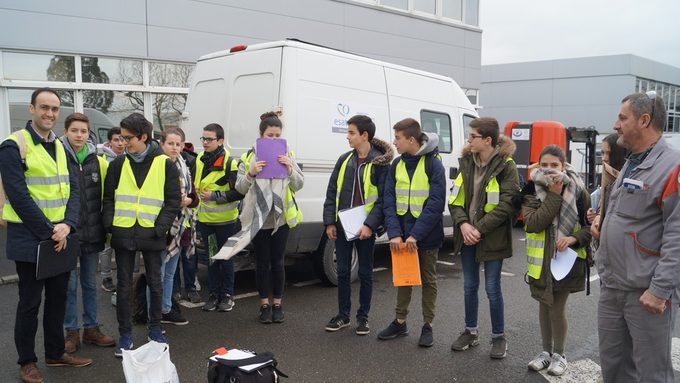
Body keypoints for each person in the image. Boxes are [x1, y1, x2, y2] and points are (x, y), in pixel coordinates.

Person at [0, 88, 91, 383]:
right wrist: (50, 231)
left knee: (58, 298)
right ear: (31, 109)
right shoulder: (14, 146)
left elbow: (74, 190)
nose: (50, 113)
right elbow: (18, 195)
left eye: (54, 108)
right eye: (44, 107)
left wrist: (68, 224)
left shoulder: (61, 147)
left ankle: (55, 352)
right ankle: (27, 362)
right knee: (29, 303)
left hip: (60, 235)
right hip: (30, 237)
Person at [594, 92, 680, 383]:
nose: (616, 125)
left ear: (644, 120)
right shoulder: (631, 160)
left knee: (652, 375)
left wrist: (660, 290)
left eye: (622, 117)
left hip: (645, 293)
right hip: (613, 286)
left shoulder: (672, 167)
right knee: (614, 368)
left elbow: (677, 236)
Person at [102, 113, 181, 356]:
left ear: (143, 137)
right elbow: (108, 198)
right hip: (123, 232)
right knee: (124, 287)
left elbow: (173, 202)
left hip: (152, 234)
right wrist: (110, 225)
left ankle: (155, 330)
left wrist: (160, 229)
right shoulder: (117, 164)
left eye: (128, 138)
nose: (123, 142)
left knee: (155, 284)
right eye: (121, 138)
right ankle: (125, 336)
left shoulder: (165, 164)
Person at [448, 117, 520, 359]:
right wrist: (464, 225)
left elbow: (508, 204)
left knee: (492, 288)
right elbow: (455, 199)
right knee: (469, 286)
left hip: (492, 238)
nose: (469, 140)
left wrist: (478, 229)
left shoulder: (506, 165)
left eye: (473, 136)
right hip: (468, 235)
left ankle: (498, 337)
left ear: (487, 140)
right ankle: (471, 332)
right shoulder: (467, 162)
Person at [520, 145, 591, 376]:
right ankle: (545, 353)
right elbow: (533, 223)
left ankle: (560, 355)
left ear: (564, 165)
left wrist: (573, 238)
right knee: (544, 305)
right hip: (541, 261)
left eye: (555, 165)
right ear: (538, 165)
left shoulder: (579, 190)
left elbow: (591, 227)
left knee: (557, 307)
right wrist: (553, 195)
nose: (549, 170)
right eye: (545, 165)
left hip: (568, 260)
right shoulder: (531, 189)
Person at [377, 118, 445, 347]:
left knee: (428, 279)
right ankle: (400, 322)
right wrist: (395, 233)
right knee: (404, 279)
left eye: (398, 138)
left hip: (425, 236)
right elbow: (388, 199)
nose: (394, 142)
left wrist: (415, 235)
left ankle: (428, 326)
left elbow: (436, 203)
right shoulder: (397, 164)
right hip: (402, 234)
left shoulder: (433, 164)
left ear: (411, 140)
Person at [323, 115, 392, 334]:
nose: (348, 137)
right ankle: (343, 316)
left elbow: (383, 199)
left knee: (364, 273)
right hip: (344, 225)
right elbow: (332, 191)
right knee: (343, 272)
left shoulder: (380, 162)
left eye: (352, 132)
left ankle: (363, 317)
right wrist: (329, 222)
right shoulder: (344, 159)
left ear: (365, 135)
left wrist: (370, 225)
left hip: (366, 227)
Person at [236, 112, 304, 323]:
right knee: (262, 262)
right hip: (258, 218)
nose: (274, 139)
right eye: (269, 135)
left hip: (280, 218)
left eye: (277, 135)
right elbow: (239, 187)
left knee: (278, 262)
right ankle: (264, 304)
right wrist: (251, 173)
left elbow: (299, 184)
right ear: (261, 134)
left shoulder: (288, 153)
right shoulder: (249, 157)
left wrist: (290, 169)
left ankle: (278, 304)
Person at [60, 113, 116, 353]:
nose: (79, 135)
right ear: (66, 132)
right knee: (69, 285)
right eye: (74, 131)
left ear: (89, 133)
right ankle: (71, 332)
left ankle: (91, 329)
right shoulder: (59, 156)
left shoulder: (98, 160)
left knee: (90, 284)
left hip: (93, 233)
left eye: (83, 131)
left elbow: (107, 196)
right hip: (68, 233)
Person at [192, 123, 243, 312]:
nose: (205, 142)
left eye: (209, 139)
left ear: (220, 141)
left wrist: (215, 197)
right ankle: (213, 295)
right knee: (213, 259)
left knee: (226, 259)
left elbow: (239, 193)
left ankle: (227, 296)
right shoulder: (199, 159)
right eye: (203, 139)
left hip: (226, 222)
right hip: (206, 221)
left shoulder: (230, 163)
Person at [150, 127, 198, 325]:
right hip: (161, 226)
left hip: (180, 227)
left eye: (178, 144)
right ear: (162, 144)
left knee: (170, 272)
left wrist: (189, 200)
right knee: (157, 274)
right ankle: (153, 313)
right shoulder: (156, 166)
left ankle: (166, 309)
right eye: (170, 143)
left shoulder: (184, 166)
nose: (174, 148)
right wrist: (174, 201)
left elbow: (194, 197)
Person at [99, 126, 125, 292]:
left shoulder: (131, 159)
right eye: (116, 140)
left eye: (123, 139)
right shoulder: (103, 161)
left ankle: (128, 276)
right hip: (109, 208)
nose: (121, 143)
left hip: (125, 210)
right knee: (107, 246)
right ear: (109, 142)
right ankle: (106, 277)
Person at [586, 133, 627, 227]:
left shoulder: (626, 182)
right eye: (602, 153)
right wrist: (591, 216)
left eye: (609, 153)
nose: (604, 158)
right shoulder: (605, 178)